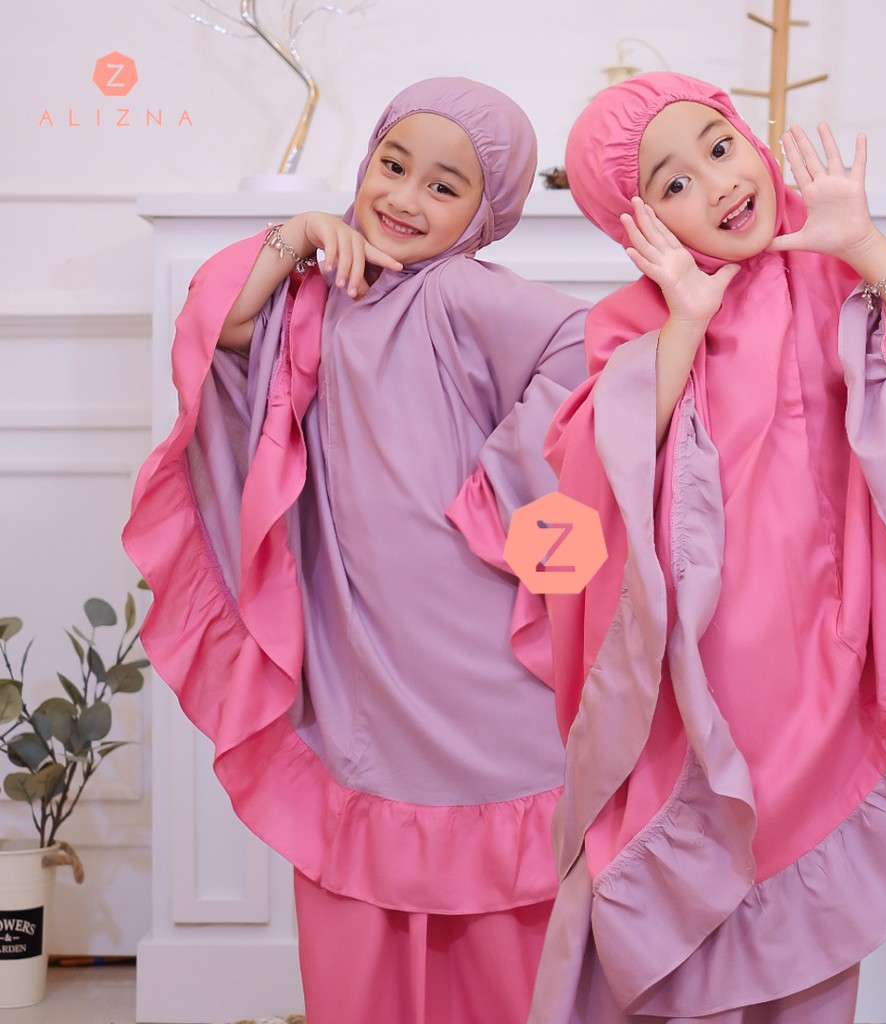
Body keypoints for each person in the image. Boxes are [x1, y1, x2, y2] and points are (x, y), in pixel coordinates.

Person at [525, 71, 886, 1023]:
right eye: (673, 184)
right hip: (710, 686)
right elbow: (595, 466)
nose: (718, 185)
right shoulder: (636, 321)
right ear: (641, 226)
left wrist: (864, 242)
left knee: (813, 926)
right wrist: (686, 321)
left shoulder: (833, 270)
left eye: (719, 147)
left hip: (840, 669)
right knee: (700, 916)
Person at [122, 77, 588, 1024]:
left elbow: (586, 346)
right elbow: (217, 325)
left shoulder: (459, 291)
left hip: (473, 652)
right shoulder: (320, 289)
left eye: (444, 186)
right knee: (360, 861)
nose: (405, 198)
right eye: (393, 163)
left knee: (503, 900)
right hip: (363, 654)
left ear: (484, 213)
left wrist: (498, 490)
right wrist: (295, 234)